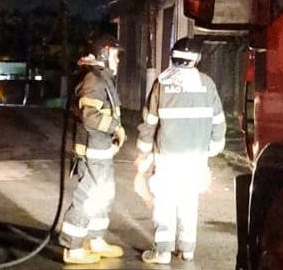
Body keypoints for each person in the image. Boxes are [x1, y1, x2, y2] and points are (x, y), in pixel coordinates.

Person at [136, 36, 226, 265]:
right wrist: (214, 147)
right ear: (196, 59)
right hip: (196, 158)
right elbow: (218, 120)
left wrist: (143, 151)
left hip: (168, 158)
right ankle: (187, 250)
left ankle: (162, 251)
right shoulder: (207, 83)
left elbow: (150, 122)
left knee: (165, 204)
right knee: (189, 203)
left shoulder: (162, 83)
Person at [59, 34, 126, 265]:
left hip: (102, 149)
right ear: (105, 54)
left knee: (103, 194)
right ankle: (73, 247)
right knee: (88, 198)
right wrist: (116, 128)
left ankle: (95, 240)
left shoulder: (102, 78)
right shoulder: (93, 81)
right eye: (116, 55)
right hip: (92, 151)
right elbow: (90, 117)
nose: (118, 60)